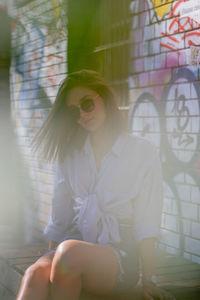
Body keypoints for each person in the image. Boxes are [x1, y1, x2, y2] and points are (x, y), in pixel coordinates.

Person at [16, 70, 174, 300]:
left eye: (87, 104)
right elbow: (60, 214)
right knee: (34, 273)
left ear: (104, 99)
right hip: (73, 249)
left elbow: (147, 221)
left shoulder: (142, 151)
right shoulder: (70, 154)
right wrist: (50, 258)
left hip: (119, 256)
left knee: (69, 254)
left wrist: (149, 278)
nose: (82, 114)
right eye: (73, 111)